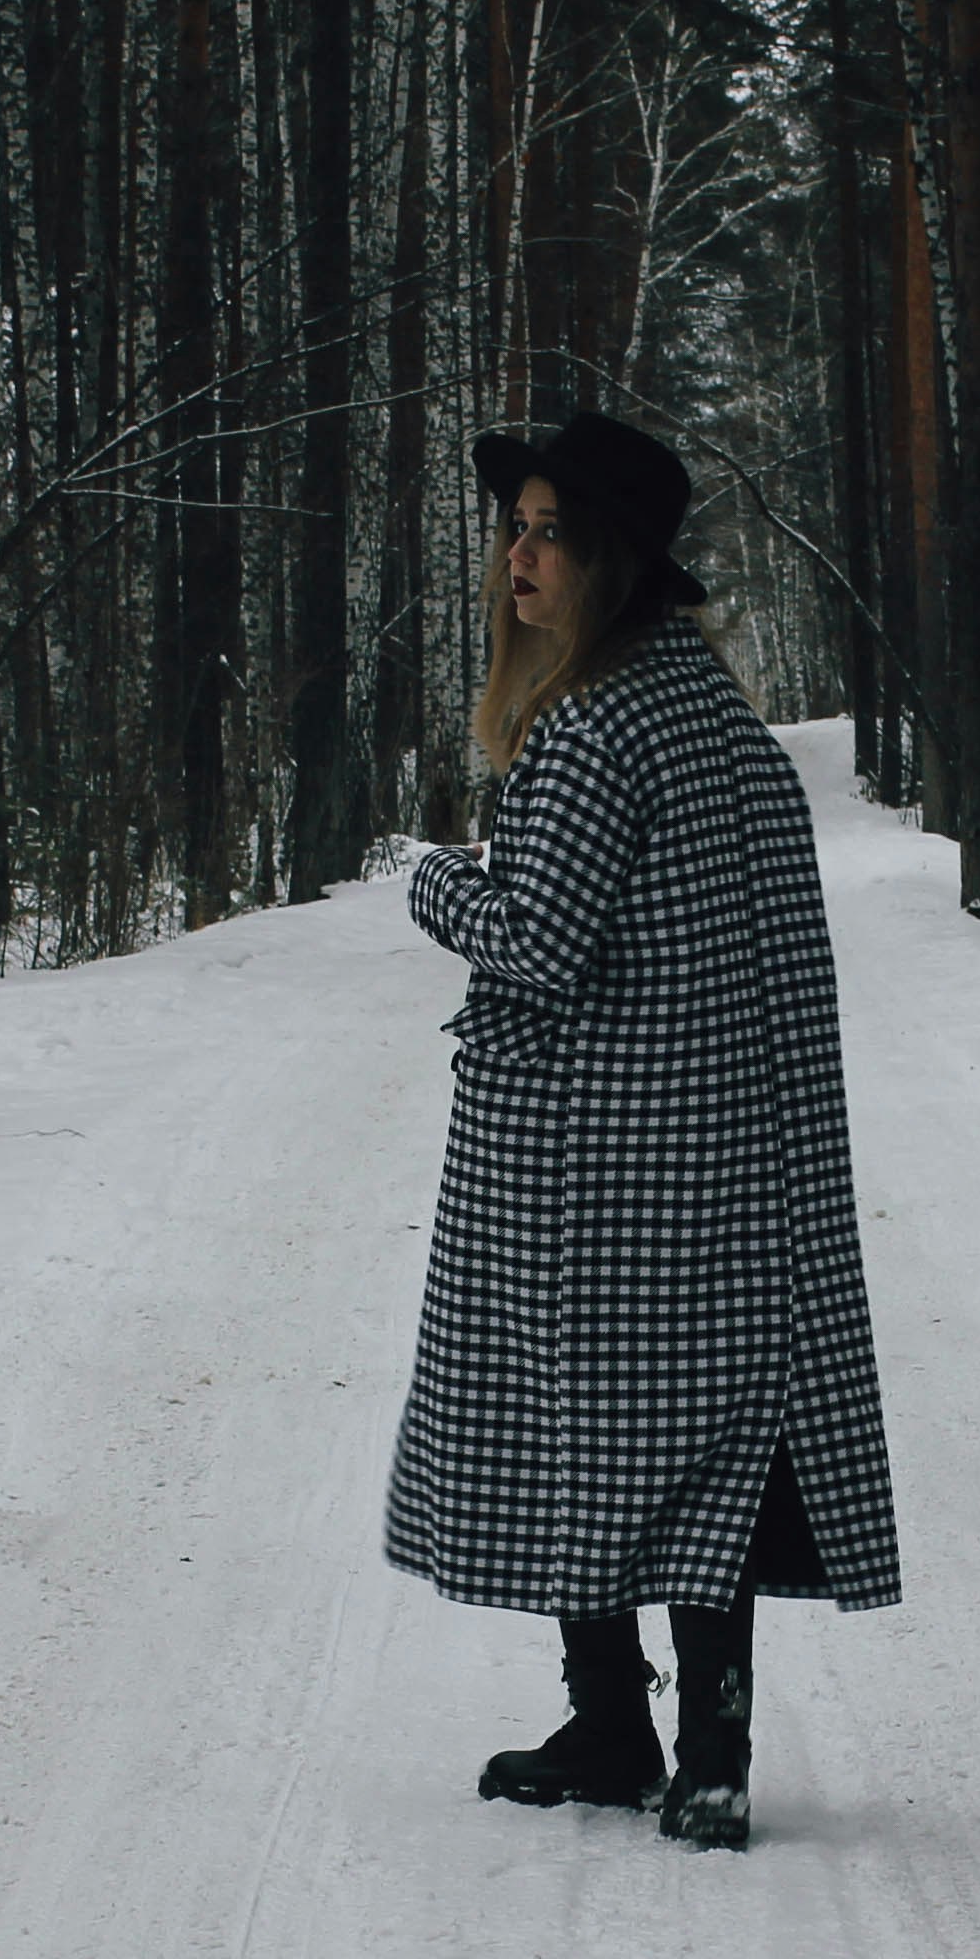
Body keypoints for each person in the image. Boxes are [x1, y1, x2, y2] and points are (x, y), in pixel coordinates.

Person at [385, 408, 900, 1851]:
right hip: (726, 1158)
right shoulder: (713, 718)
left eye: (551, 531)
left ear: (613, 559)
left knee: (581, 1428)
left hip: (584, 1163)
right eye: (516, 527)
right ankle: (705, 1751)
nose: (520, 555)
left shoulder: (596, 726)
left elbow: (536, 942)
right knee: (706, 1443)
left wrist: (428, 882)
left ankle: (620, 1724)